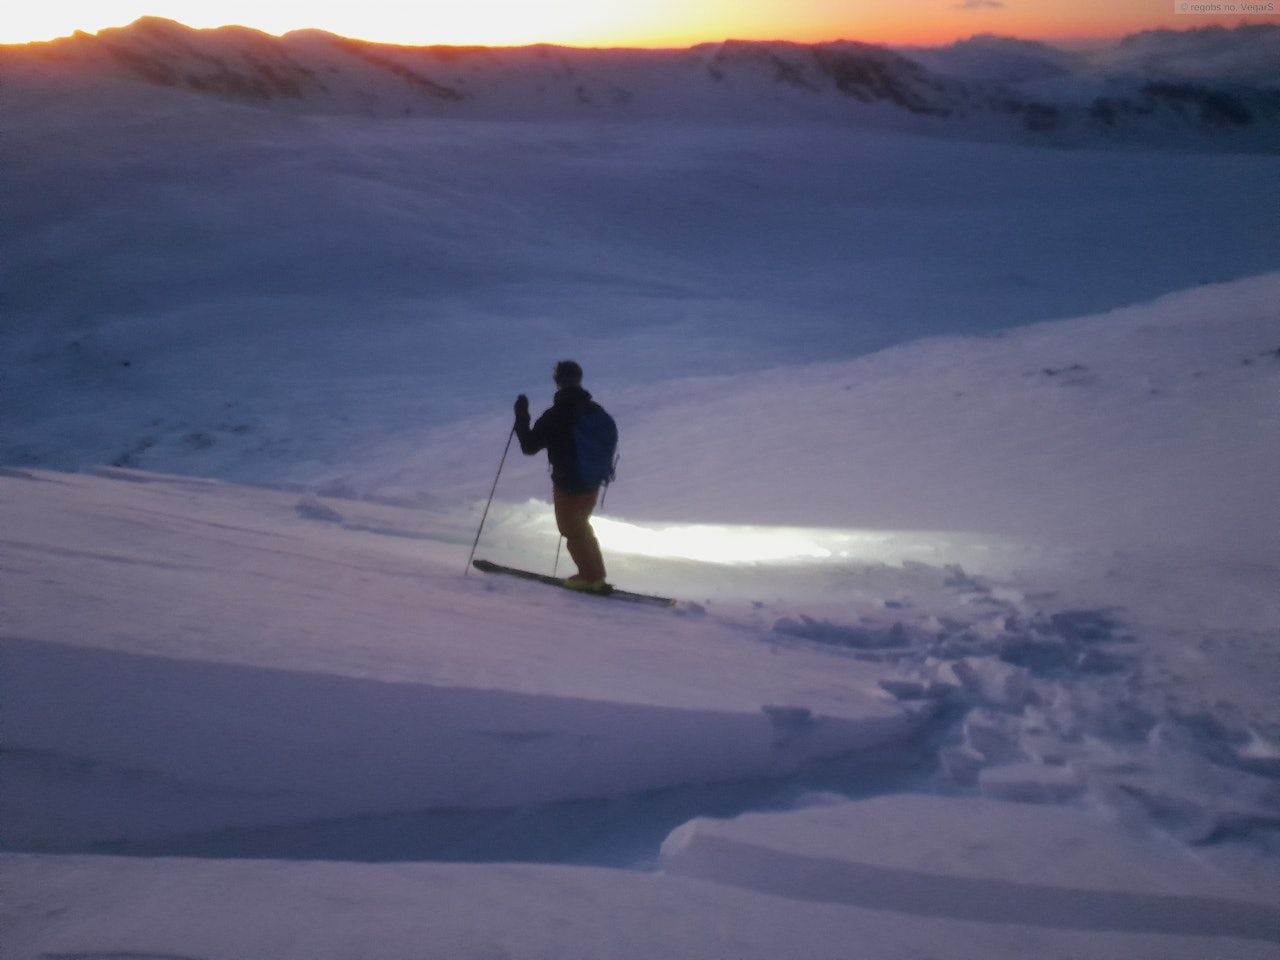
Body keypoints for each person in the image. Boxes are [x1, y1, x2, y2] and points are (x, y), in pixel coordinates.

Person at [514, 360, 611, 593]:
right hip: (593, 482)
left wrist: (521, 416)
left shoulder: (555, 416)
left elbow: (528, 446)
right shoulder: (594, 410)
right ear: (579, 380)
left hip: (568, 484)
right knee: (581, 526)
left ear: (557, 382)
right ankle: (596, 574)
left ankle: (589, 578)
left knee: (571, 529)